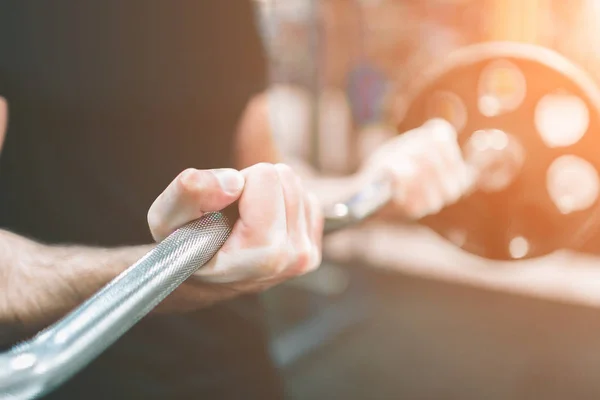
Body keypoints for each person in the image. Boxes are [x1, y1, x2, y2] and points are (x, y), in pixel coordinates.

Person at [0, 2, 472, 399]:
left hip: (230, 368)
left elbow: (270, 176)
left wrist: (377, 182)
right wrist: (157, 270)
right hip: (76, 376)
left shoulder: (222, 14)